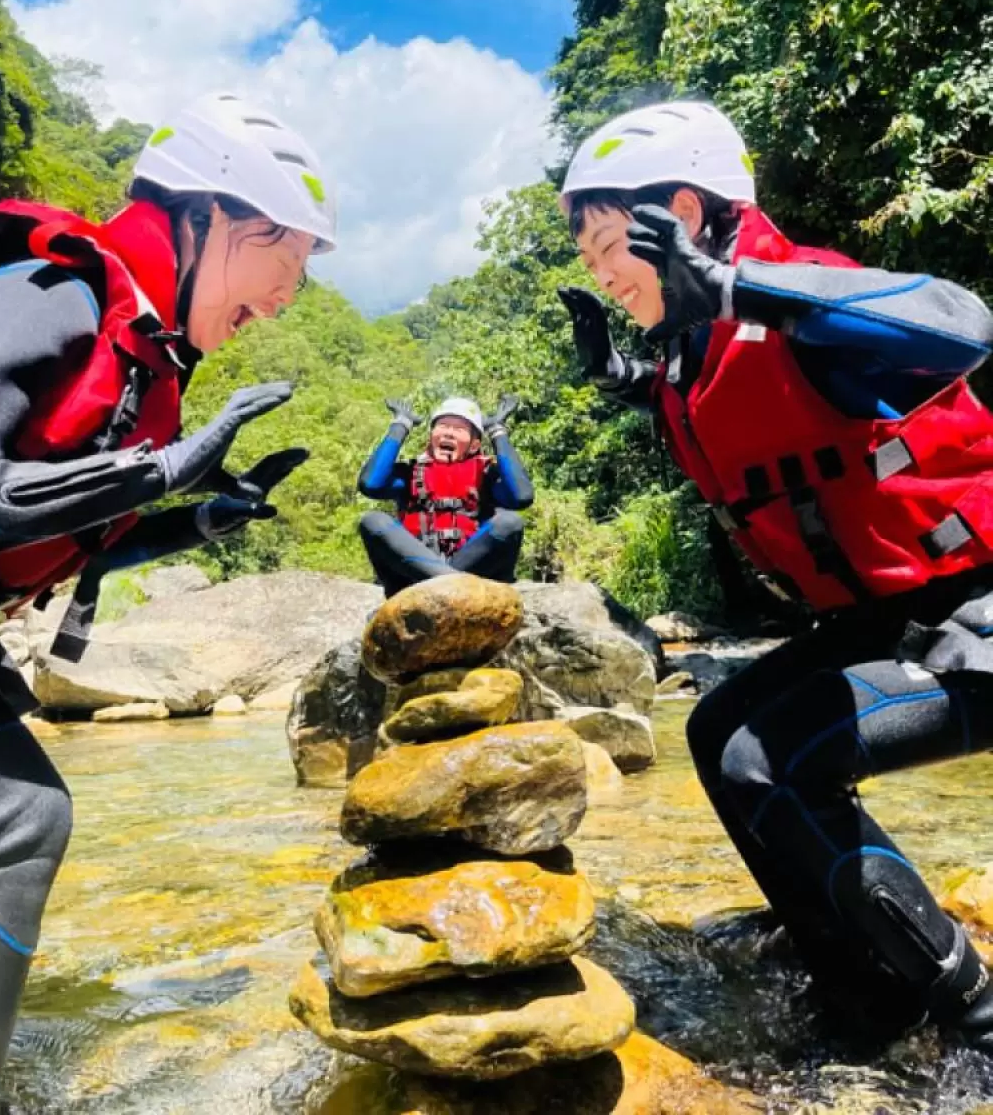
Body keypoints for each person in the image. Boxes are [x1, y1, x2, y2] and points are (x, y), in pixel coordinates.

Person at [0, 92, 337, 1115]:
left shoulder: (140, 349)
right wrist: (146, 477)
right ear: (221, 222)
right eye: (288, 264)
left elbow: (37, 531)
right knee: (15, 819)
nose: (286, 299)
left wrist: (196, 522)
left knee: (15, 811)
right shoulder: (50, 286)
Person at [556, 99, 993, 1049]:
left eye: (603, 249)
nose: (596, 274)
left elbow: (963, 324)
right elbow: (748, 424)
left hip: (976, 620)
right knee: (717, 729)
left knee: (774, 761)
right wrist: (630, 378)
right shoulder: (695, 345)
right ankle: (857, 984)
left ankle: (975, 1013)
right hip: (886, 623)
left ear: (678, 210)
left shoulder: (801, 299)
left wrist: (743, 287)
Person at [357, 395, 534, 595]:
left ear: (474, 445)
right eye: (442, 426)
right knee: (373, 521)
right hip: (411, 579)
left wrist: (497, 432)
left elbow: (521, 496)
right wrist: (400, 425)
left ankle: (446, 585)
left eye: (459, 429)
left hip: (472, 573)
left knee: (510, 522)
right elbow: (370, 484)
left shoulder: (486, 476)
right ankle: (447, 584)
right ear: (431, 438)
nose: (448, 433)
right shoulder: (410, 474)